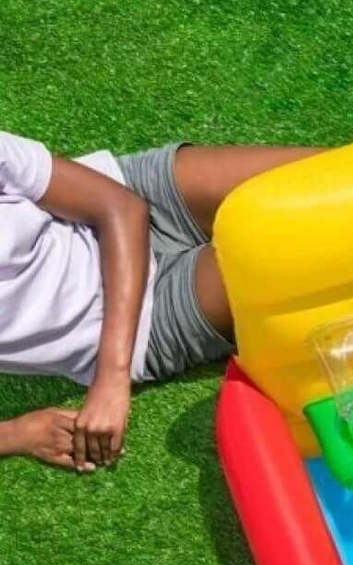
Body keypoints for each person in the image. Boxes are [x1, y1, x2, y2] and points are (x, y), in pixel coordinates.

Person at [0, 131, 320, 472]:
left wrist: (111, 377)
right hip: (148, 318)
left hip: (132, 196)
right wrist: (18, 434)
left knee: (331, 178)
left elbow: (122, 207)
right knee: (299, 253)